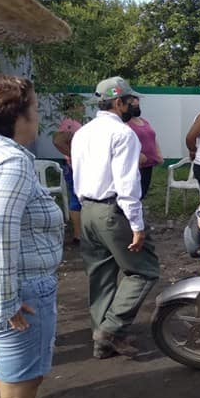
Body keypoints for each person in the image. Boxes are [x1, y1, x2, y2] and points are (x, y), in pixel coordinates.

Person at [0, 74, 64, 398]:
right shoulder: (12, 161)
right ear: (16, 115)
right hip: (19, 292)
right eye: (34, 108)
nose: (37, 117)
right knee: (18, 392)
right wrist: (5, 300)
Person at [71, 76, 160, 359]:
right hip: (112, 211)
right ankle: (110, 329)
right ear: (118, 102)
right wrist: (137, 225)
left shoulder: (83, 132)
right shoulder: (123, 134)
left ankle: (104, 342)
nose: (135, 103)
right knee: (144, 269)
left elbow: (78, 175)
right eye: (131, 99)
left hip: (87, 210)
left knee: (101, 275)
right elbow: (127, 183)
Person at [52, 93, 85, 245]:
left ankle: (82, 233)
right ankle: (78, 234)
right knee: (76, 198)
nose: (83, 108)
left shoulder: (76, 122)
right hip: (74, 167)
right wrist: (72, 155)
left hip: (79, 166)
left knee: (79, 198)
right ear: (72, 107)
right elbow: (58, 141)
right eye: (80, 104)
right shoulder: (69, 123)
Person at [127, 95, 163, 199]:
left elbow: (152, 137)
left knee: (143, 191)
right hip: (136, 165)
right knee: (135, 192)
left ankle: (138, 210)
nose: (136, 102)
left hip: (149, 164)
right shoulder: (125, 123)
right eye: (133, 100)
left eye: (137, 100)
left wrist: (158, 154)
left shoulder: (144, 121)